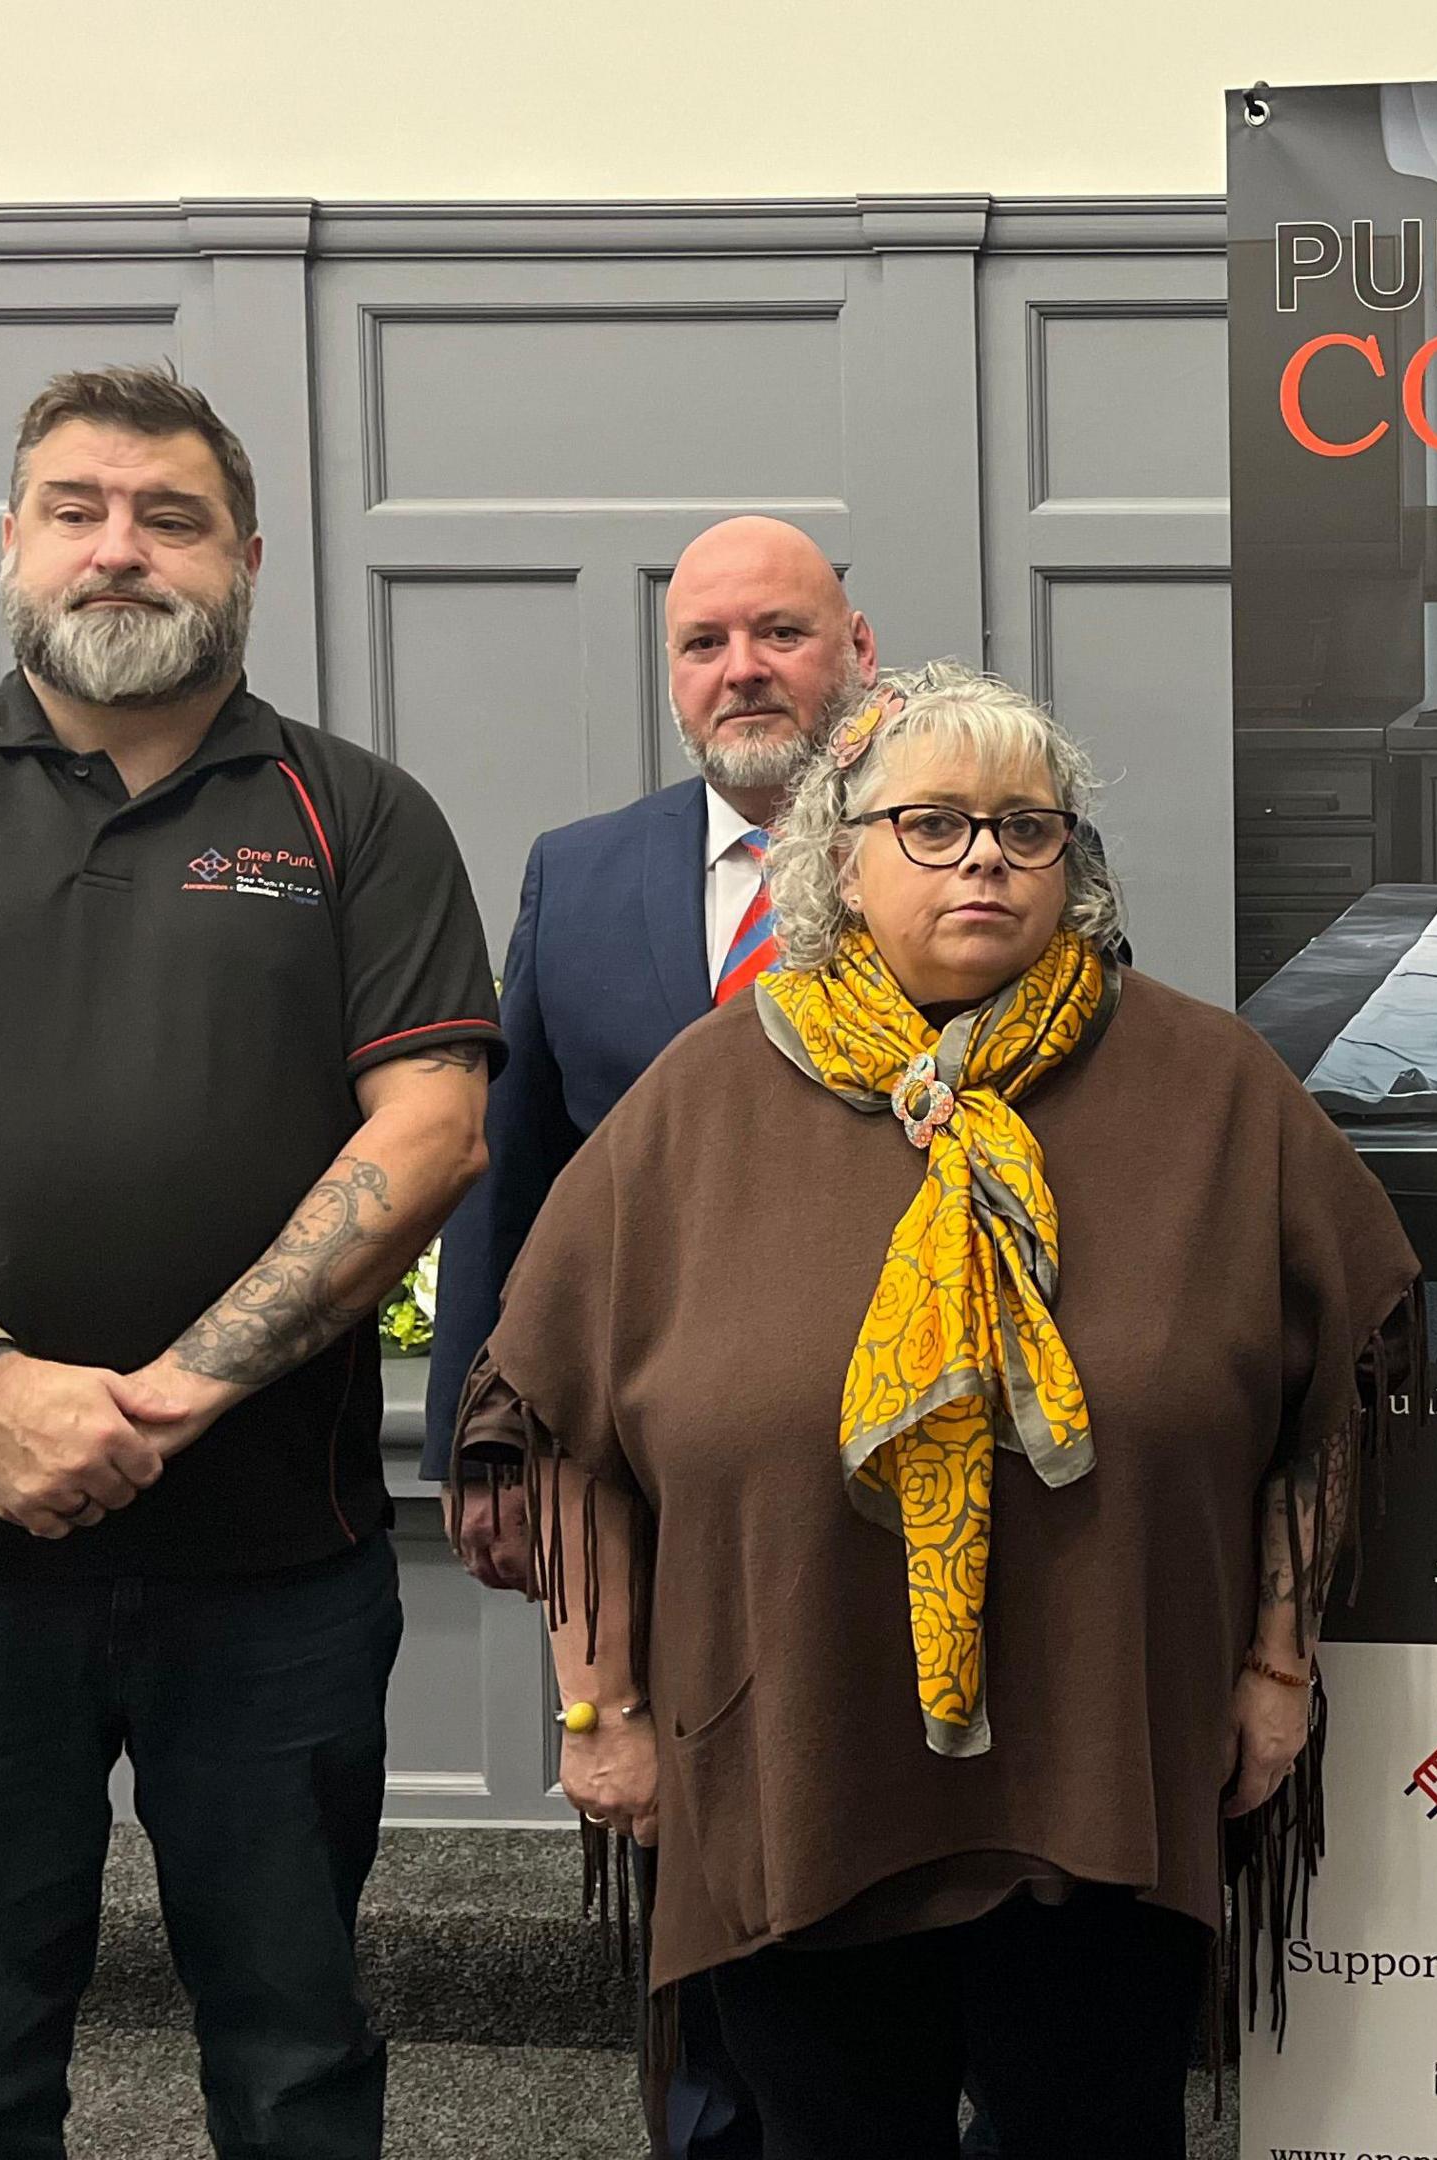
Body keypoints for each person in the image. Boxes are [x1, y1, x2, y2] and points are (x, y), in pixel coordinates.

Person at [453, 661, 1417, 2158]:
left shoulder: (1207, 1088)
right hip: (793, 1761)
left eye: (1028, 829)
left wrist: (1278, 1669)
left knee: (1093, 2131)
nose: (986, 858)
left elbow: (1317, 1415)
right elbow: (577, 1424)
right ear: (841, 854)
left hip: (1110, 1758)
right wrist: (605, 1709)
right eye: (936, 823)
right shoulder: (707, 1099)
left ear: (1072, 870)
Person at [0, 364, 498, 2155]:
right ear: (12, 543)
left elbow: (429, 1139)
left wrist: (164, 1400)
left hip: (276, 1566)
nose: (121, 550)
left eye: (169, 517)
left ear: (244, 556)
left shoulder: (361, 815)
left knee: (295, 2056)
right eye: (78, 511)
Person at [415, 513, 875, 2157]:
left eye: (780, 632)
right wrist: (480, 1435)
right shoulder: (580, 871)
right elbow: (509, 1170)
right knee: (690, 1853)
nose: (741, 668)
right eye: (704, 643)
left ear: (858, 648)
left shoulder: (965, 853)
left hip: (897, 1476)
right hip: (658, 1478)